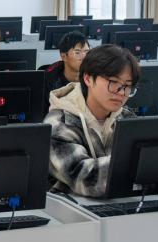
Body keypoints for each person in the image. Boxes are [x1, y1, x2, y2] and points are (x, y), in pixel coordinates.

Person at [45, 44, 140, 197]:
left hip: (120, 203)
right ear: (88, 78)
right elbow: (85, 178)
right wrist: (138, 164)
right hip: (70, 208)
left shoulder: (127, 118)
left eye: (127, 86)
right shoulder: (59, 122)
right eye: (113, 82)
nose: (121, 92)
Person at [42, 31, 90, 114]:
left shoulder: (94, 76)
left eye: (87, 52)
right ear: (64, 56)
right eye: (77, 52)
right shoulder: (50, 79)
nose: (84, 57)